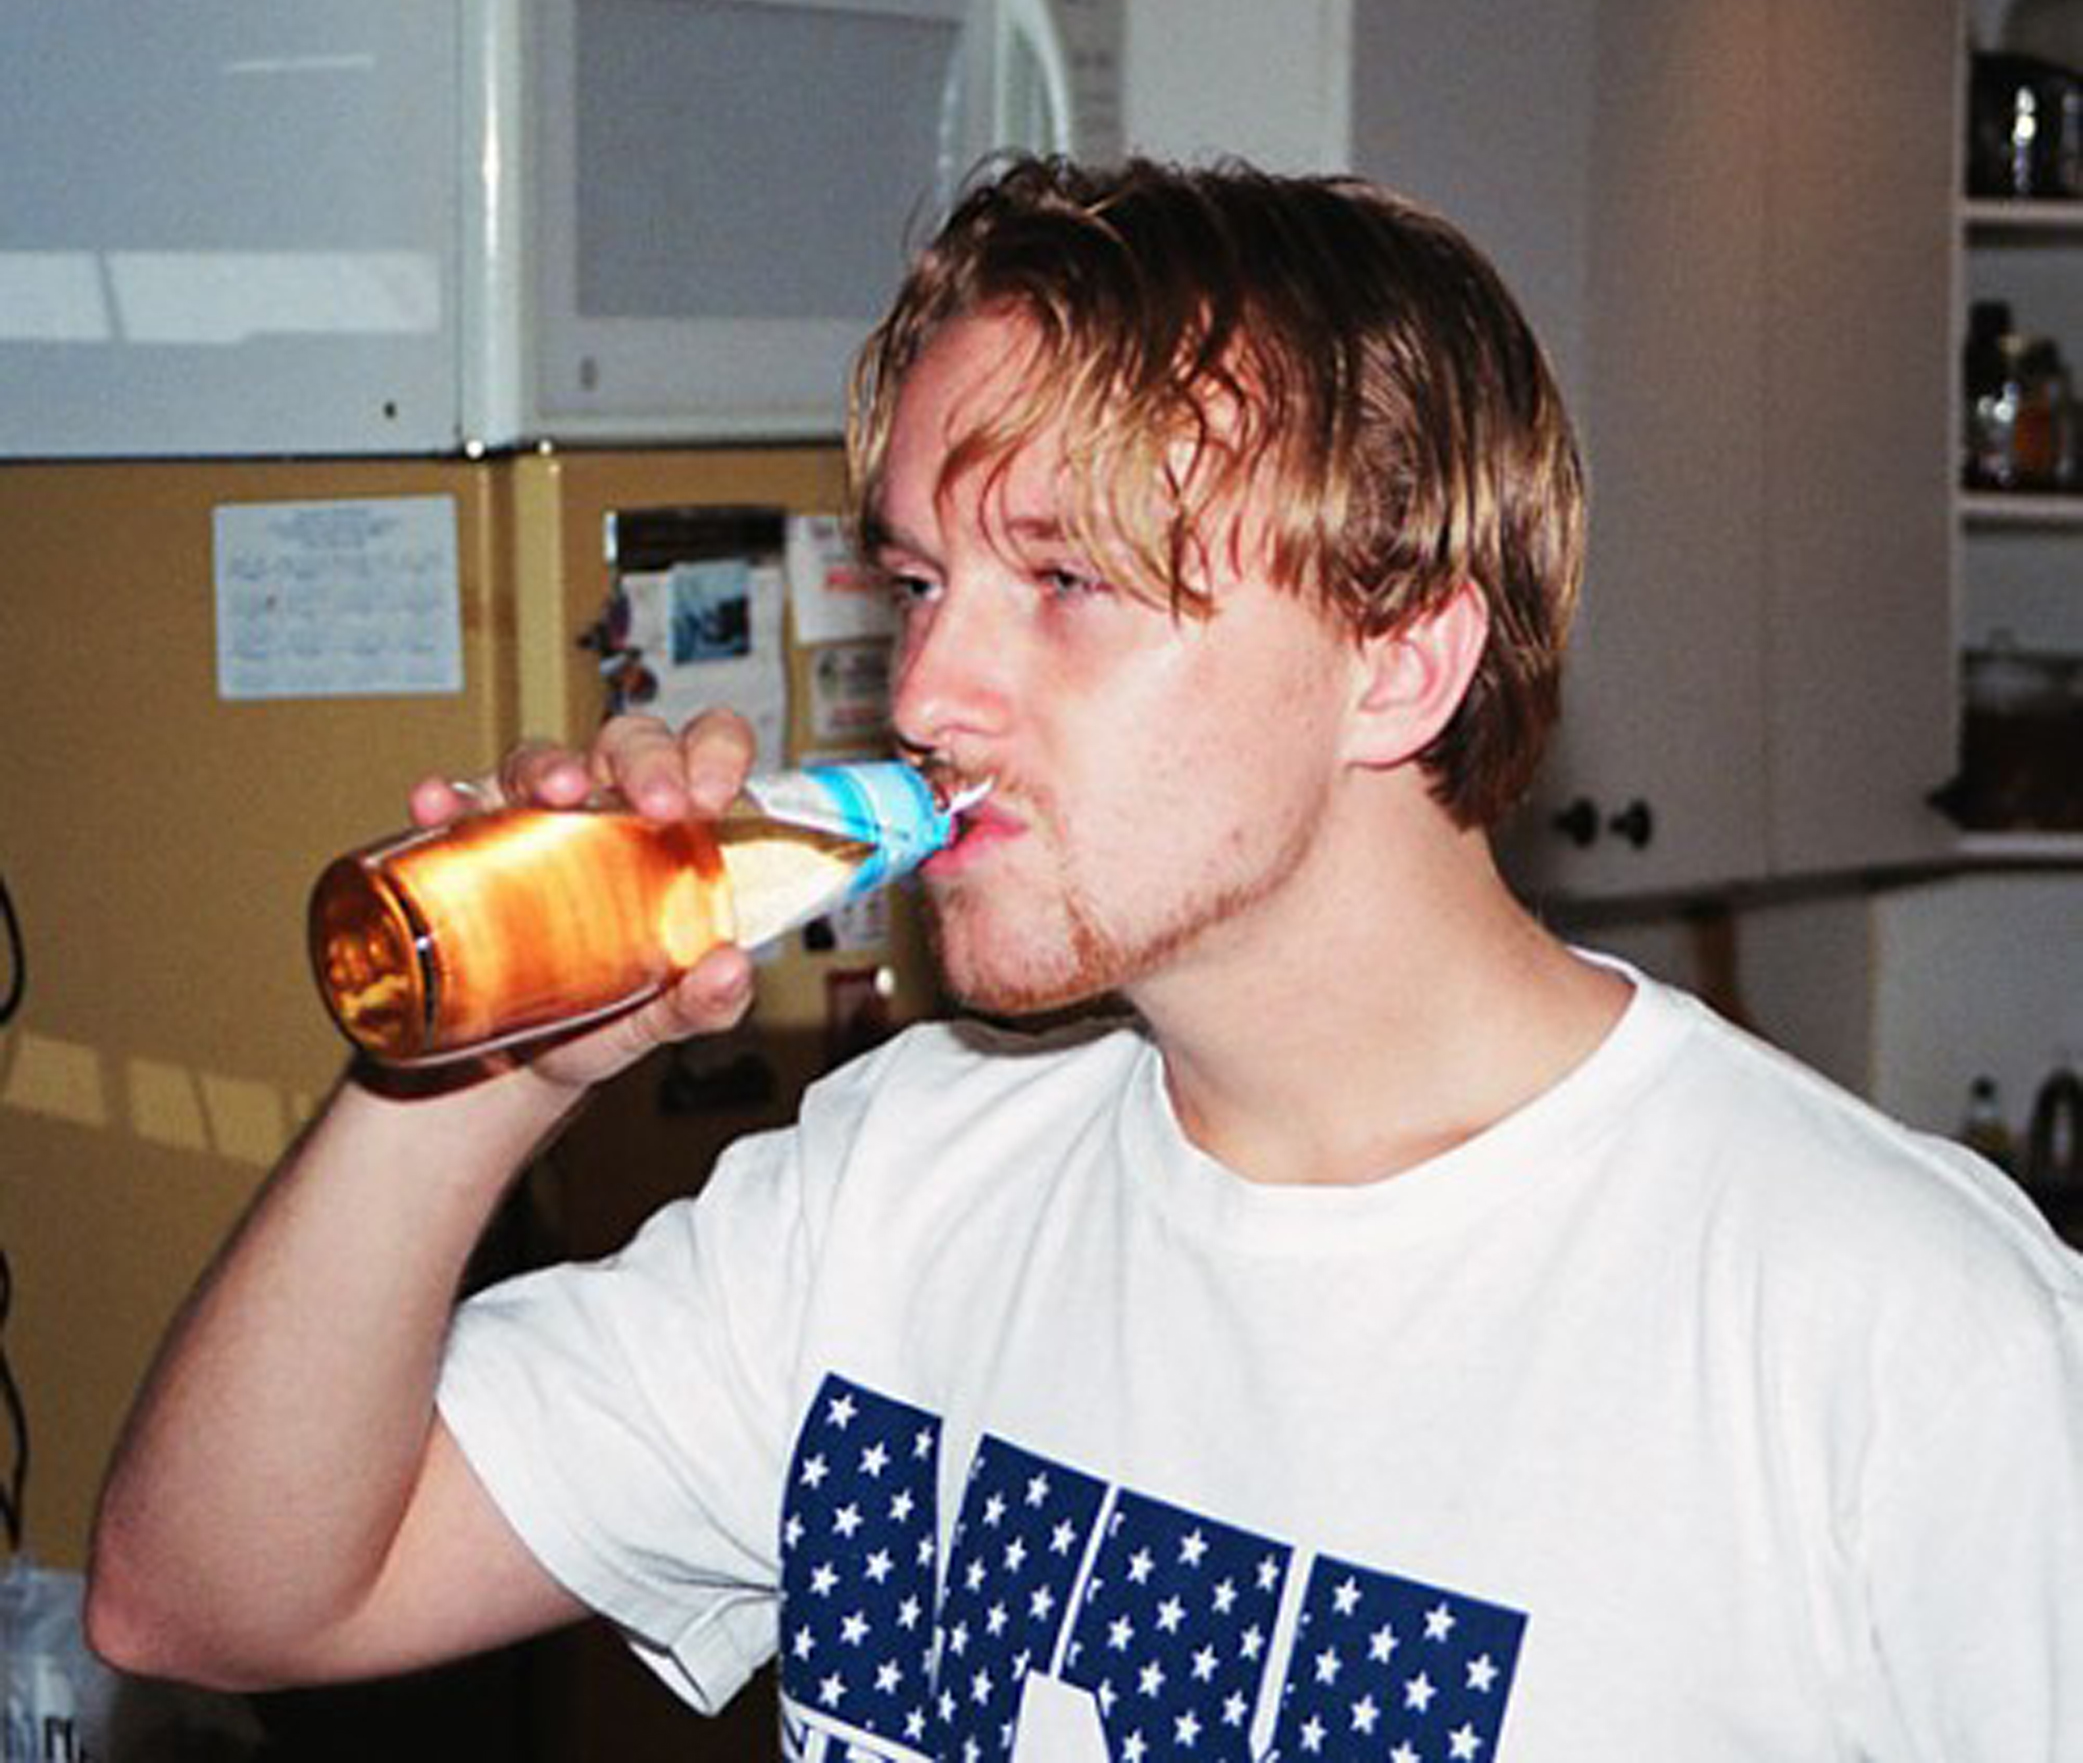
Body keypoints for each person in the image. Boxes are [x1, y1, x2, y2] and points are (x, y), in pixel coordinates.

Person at [88, 157, 2081, 1758]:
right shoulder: (899, 1185)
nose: (925, 692)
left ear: (1400, 661)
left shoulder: (1892, 1332)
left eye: (1063, 581)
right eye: (922, 579)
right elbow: (212, 1601)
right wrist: (486, 1077)